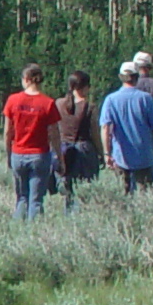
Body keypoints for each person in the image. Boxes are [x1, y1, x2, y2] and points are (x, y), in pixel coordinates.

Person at [2, 64, 58, 220]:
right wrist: (59, 155)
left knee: (21, 198)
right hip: (40, 155)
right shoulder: (48, 103)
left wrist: (8, 153)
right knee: (36, 200)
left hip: (18, 153)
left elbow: (7, 131)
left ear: (26, 79)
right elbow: (54, 134)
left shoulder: (13, 100)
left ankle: (18, 229)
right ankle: (35, 232)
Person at [100, 60, 153, 191]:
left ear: (120, 77)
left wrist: (107, 153)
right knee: (146, 195)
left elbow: (105, 127)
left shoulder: (111, 100)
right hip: (144, 155)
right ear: (137, 77)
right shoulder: (146, 99)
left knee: (123, 195)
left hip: (121, 157)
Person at [53, 70, 100, 211]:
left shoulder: (59, 103)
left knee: (67, 187)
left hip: (63, 149)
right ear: (85, 87)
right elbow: (95, 133)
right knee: (85, 189)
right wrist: (102, 153)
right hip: (84, 150)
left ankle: (68, 213)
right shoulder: (90, 107)